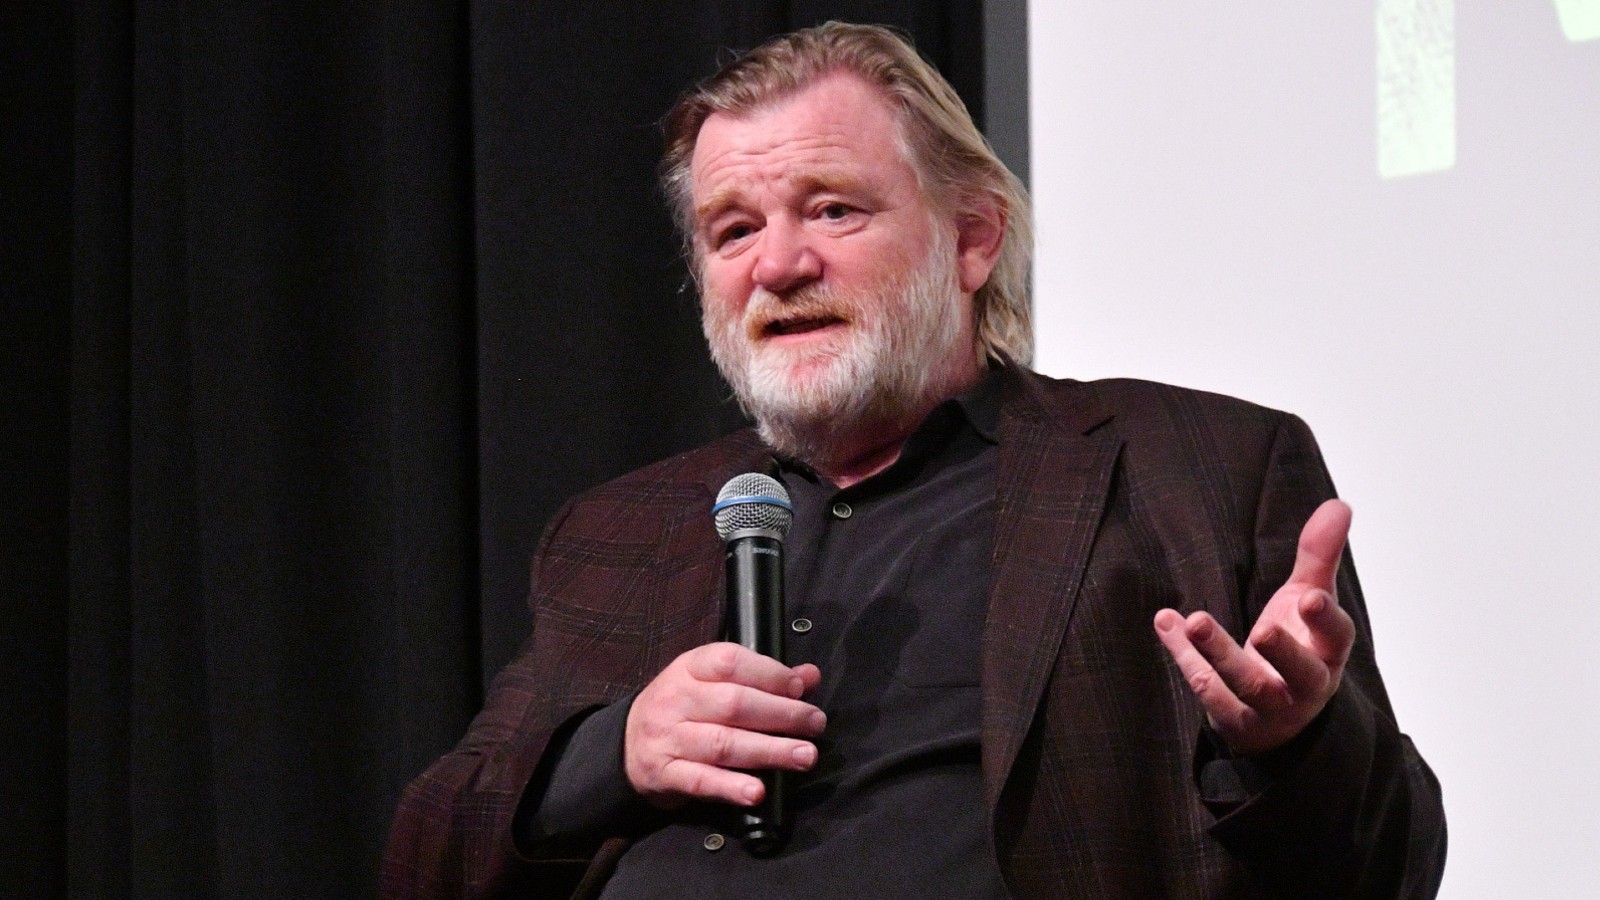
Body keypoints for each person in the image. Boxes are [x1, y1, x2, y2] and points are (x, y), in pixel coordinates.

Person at [384, 22, 1446, 899]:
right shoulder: (620, 530)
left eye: (832, 209)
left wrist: (1295, 744)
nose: (779, 264)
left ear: (971, 237)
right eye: (731, 229)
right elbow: (428, 857)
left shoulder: (1200, 469)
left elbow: (1388, 871)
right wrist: (610, 756)